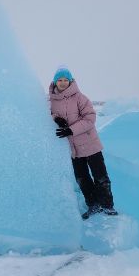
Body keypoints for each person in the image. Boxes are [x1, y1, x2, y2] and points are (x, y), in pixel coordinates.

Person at [48, 66, 118, 220]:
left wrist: (71, 130)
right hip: (73, 148)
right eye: (60, 80)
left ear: (70, 81)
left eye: (66, 80)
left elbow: (90, 118)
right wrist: (56, 118)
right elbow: (50, 113)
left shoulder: (80, 98)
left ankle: (107, 206)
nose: (63, 83)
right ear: (55, 82)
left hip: (90, 144)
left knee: (100, 176)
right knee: (82, 178)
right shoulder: (51, 100)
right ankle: (93, 205)